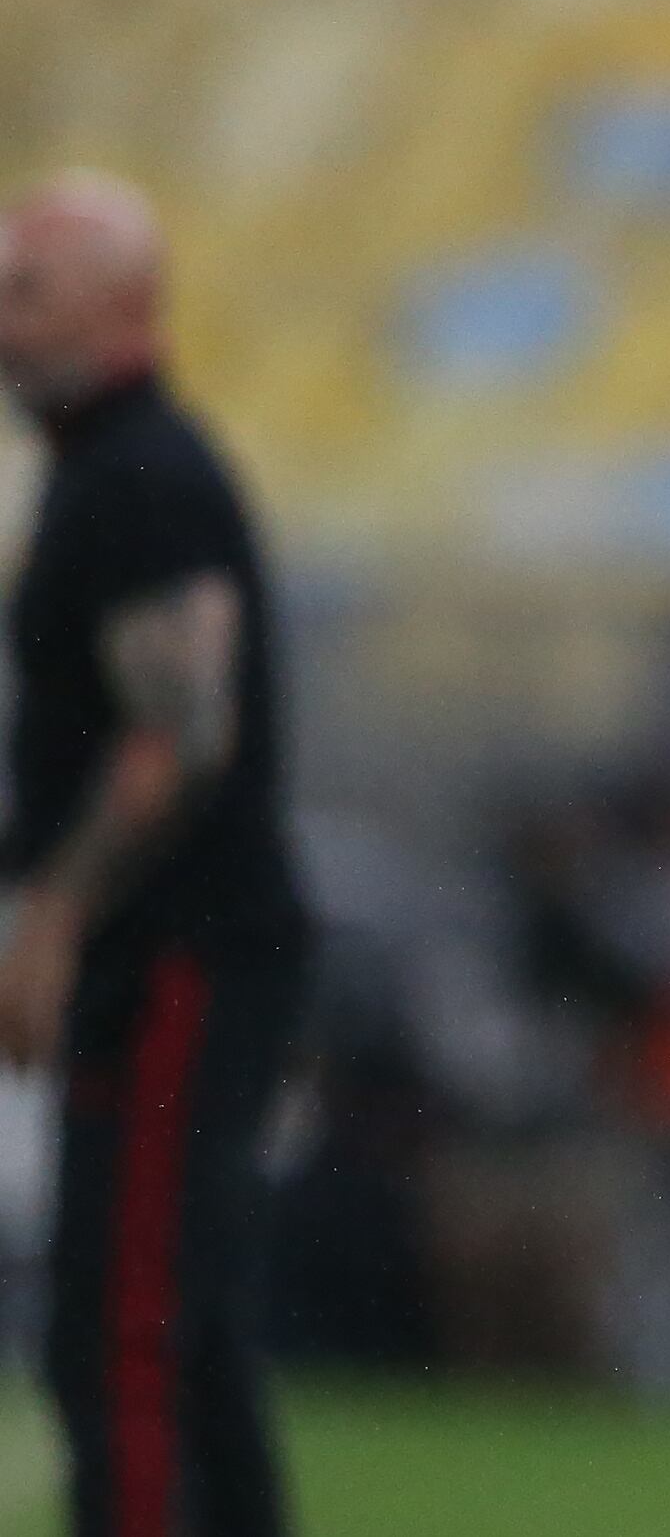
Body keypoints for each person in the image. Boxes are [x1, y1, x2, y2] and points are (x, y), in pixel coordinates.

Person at [0, 172, 311, 1537]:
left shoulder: (136, 474)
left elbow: (181, 732)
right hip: (193, 946)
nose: (2, 320)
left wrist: (52, 912)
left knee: (120, 1330)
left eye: (26, 290)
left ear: (122, 307)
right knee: (183, 1326)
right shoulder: (115, 469)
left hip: (176, 953)